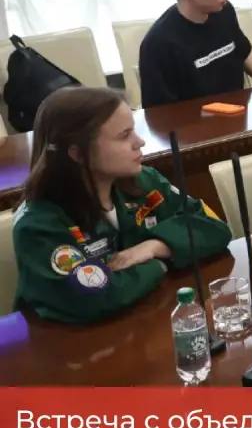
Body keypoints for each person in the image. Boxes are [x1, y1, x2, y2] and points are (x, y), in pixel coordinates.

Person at [12, 87, 232, 324]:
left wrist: (155, 246)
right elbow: (94, 298)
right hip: (73, 342)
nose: (140, 142)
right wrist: (159, 265)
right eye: (124, 135)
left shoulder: (145, 181)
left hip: (145, 320)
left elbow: (215, 228)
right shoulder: (38, 224)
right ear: (78, 154)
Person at [138, 0, 252, 108]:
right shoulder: (158, 44)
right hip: (193, 122)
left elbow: (243, 51)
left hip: (238, 114)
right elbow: (157, 112)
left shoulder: (224, 11)